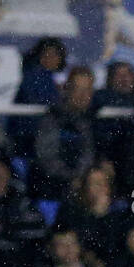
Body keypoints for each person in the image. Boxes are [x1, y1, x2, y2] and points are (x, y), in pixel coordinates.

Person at [32, 65, 98, 199]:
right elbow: (47, 157)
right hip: (56, 188)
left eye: (87, 90)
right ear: (67, 89)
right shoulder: (53, 118)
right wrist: (74, 178)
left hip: (86, 185)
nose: (82, 95)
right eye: (77, 89)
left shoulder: (95, 120)